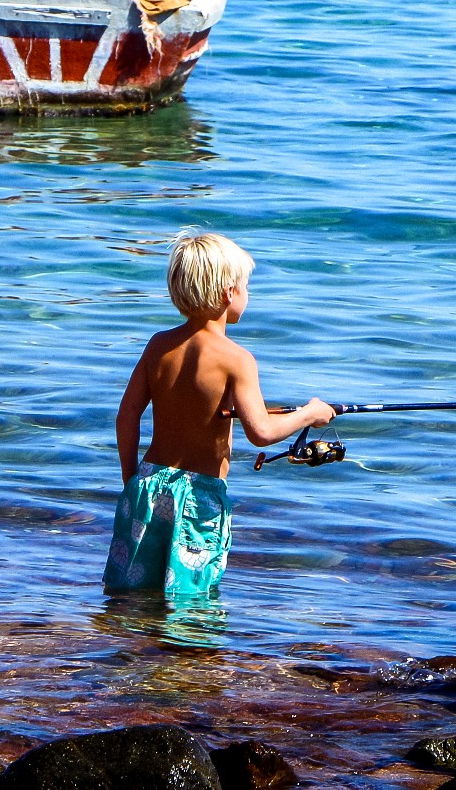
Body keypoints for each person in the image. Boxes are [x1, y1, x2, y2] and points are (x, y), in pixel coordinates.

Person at [102, 231, 336, 597]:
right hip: (200, 495)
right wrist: (309, 413)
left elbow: (126, 416)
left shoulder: (158, 346)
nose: (248, 294)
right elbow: (261, 432)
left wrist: (131, 479)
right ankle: (190, 654)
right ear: (229, 292)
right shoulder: (237, 360)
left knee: (133, 590)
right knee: (191, 600)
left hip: (147, 486)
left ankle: (132, 649)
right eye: (246, 285)